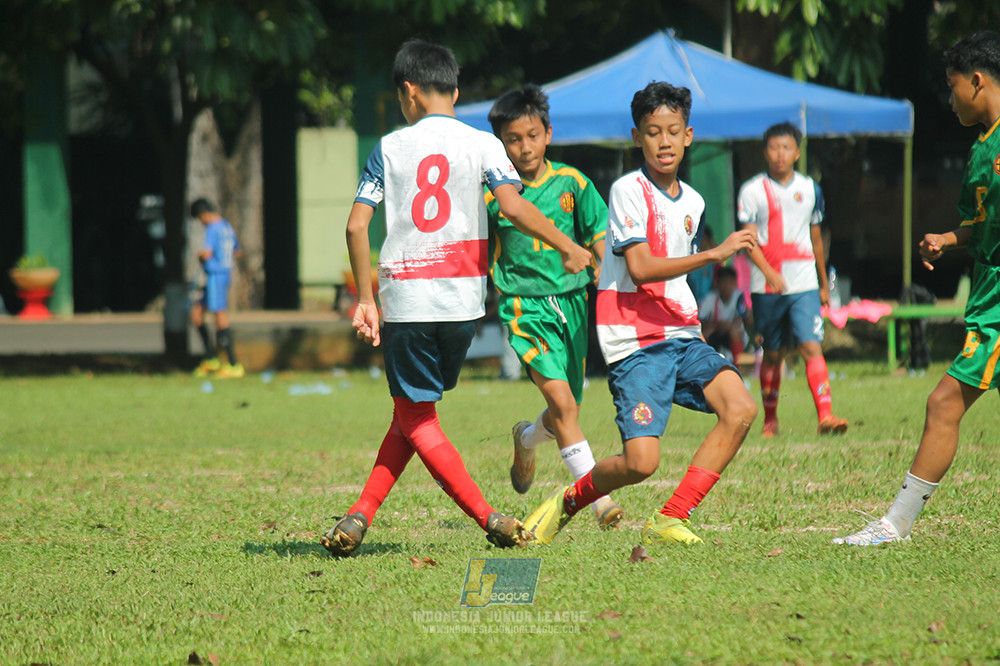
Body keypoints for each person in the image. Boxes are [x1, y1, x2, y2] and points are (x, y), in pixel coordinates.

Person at [320, 39, 592, 557]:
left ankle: (488, 517)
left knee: (418, 418)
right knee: (411, 412)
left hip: (407, 303)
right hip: (463, 305)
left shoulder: (390, 147)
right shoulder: (484, 144)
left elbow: (358, 226)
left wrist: (365, 299)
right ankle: (359, 516)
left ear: (409, 92)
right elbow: (512, 207)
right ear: (455, 90)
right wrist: (567, 245)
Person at [521, 81, 759, 545]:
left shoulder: (694, 201)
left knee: (740, 408)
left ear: (688, 135)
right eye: (653, 132)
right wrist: (715, 255)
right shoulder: (627, 190)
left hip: (683, 333)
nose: (664, 141)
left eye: (673, 131)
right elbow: (642, 268)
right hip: (635, 340)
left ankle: (672, 516)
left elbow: (671, 276)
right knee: (640, 464)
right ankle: (567, 501)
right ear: (637, 137)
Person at [834, 30, 1000, 546]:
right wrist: (948, 240)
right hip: (989, 291)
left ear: (977, 81)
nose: (949, 101)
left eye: (953, 88)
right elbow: (981, 225)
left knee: (943, 402)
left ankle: (894, 525)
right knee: (943, 403)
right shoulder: (980, 153)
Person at [485, 84, 623, 528]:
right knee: (563, 405)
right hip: (525, 307)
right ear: (499, 143)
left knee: (567, 412)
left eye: (531, 135)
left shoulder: (573, 182)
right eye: (512, 139)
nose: (523, 148)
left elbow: (599, 230)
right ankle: (597, 500)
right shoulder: (492, 194)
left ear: (548, 133)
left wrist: (602, 265)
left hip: (574, 305)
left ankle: (526, 439)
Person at [737, 122, 848, 437]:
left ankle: (825, 416)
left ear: (797, 152)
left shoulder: (811, 188)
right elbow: (748, 240)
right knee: (772, 354)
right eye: (774, 148)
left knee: (811, 346)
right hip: (766, 287)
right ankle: (770, 419)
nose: (780, 154)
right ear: (765, 152)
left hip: (804, 285)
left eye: (786, 148)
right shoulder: (752, 191)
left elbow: (817, 239)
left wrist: (823, 284)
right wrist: (769, 272)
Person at [190, 198, 244, 379]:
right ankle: (211, 358)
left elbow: (207, 252)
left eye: (199, 218)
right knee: (197, 314)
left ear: (203, 215)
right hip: (218, 275)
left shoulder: (213, 228)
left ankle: (233, 364)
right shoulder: (227, 226)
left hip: (216, 276)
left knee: (220, 316)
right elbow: (238, 250)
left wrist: (202, 256)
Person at [700, 265, 752, 363]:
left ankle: (736, 366)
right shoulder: (711, 297)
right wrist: (715, 325)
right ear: (718, 284)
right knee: (704, 333)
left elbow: (743, 318)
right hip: (715, 330)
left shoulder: (739, 297)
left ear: (734, 283)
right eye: (723, 282)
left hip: (734, 333)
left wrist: (726, 325)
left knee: (734, 331)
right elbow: (700, 318)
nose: (726, 286)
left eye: (729, 283)